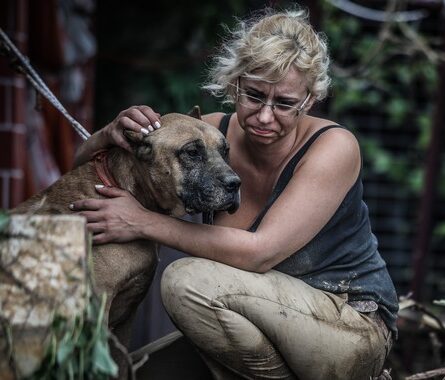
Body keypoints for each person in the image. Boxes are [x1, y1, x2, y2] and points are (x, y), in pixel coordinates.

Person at [72, 7, 398, 380]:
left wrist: (143, 222)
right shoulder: (205, 135)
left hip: (347, 328)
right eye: (255, 96)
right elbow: (82, 171)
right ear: (235, 85)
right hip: (255, 325)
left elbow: (260, 253)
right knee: (141, 374)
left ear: (309, 100)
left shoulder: (334, 146)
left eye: (285, 103)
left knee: (186, 281)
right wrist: (107, 134)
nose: (264, 116)